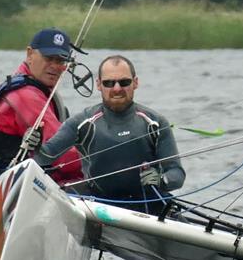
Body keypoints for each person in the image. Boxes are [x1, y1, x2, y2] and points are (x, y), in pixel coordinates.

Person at [34, 55, 185, 213]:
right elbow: (44, 157)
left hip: (149, 208)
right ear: (99, 85)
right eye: (109, 83)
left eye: (124, 82)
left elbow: (177, 174)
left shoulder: (155, 123)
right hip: (100, 208)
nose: (117, 88)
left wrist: (162, 180)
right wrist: (34, 144)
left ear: (135, 83)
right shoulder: (82, 123)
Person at [0, 28, 84, 185]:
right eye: (49, 58)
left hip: (40, 179)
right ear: (29, 54)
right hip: (20, 183)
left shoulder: (42, 91)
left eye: (61, 61)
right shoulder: (25, 96)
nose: (55, 66)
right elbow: (63, 155)